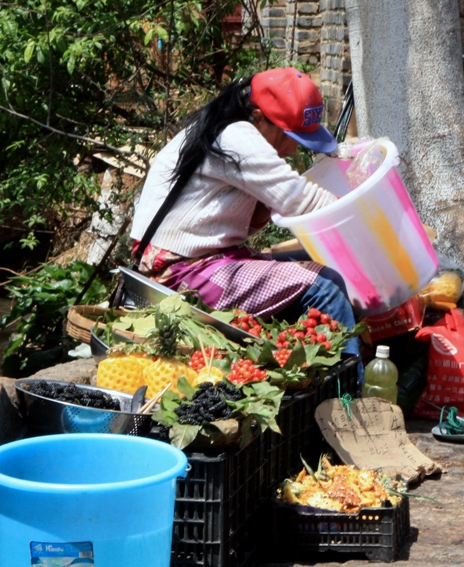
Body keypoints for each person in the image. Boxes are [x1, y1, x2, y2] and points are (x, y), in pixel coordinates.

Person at [129, 67, 361, 364]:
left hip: (205, 260)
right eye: (288, 136)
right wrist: (361, 217)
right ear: (259, 117)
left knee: (317, 261)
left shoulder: (228, 127)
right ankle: (350, 385)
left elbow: (237, 218)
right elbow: (299, 199)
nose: (292, 149)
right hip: (180, 273)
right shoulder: (236, 137)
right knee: (325, 286)